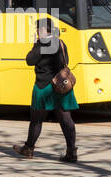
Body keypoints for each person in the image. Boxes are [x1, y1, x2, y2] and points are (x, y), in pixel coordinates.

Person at [13, 18, 78, 162]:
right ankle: (71, 152)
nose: (36, 32)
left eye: (38, 29)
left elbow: (29, 60)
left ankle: (28, 149)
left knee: (36, 120)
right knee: (66, 119)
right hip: (61, 86)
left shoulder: (41, 44)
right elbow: (66, 59)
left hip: (44, 87)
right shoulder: (60, 42)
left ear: (42, 30)